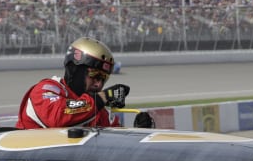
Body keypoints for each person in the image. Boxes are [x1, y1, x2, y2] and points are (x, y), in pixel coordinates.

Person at [17, 37, 154, 129]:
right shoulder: (46, 89)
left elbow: (116, 144)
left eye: (103, 79)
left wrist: (141, 132)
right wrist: (103, 97)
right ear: (75, 70)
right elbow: (58, 119)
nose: (98, 85)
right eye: (95, 76)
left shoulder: (97, 111)